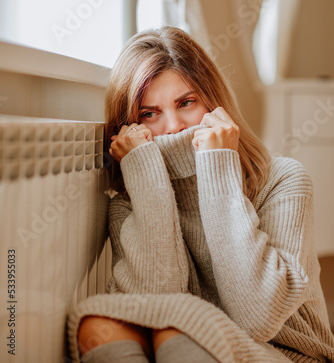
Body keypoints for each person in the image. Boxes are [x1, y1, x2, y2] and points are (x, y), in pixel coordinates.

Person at [67, 26, 334, 363]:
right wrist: (149, 182)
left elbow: (258, 318)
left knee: (177, 328)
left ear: (214, 101)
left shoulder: (284, 180)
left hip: (288, 354)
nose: (174, 126)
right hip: (185, 342)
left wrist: (218, 166)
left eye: (186, 102)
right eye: (149, 114)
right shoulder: (129, 203)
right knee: (97, 324)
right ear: (129, 126)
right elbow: (157, 307)